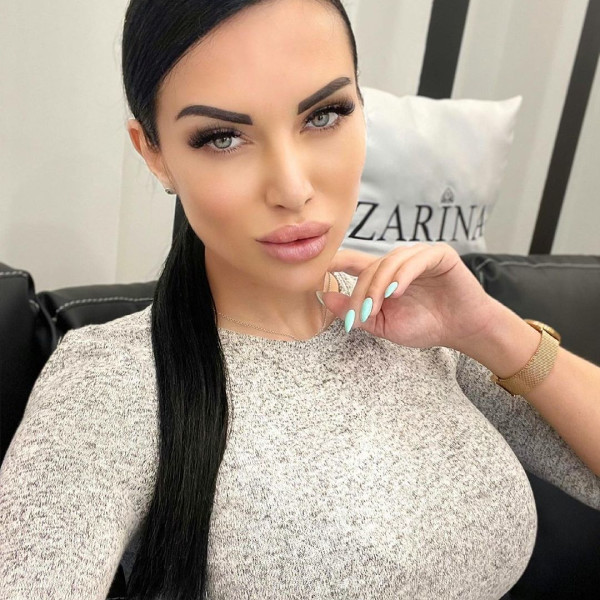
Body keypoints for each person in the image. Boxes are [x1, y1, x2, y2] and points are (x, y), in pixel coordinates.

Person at [0, 0, 598, 599]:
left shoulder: (418, 324)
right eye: (222, 137)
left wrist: (490, 330)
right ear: (154, 153)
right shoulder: (112, 381)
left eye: (324, 115)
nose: (292, 188)